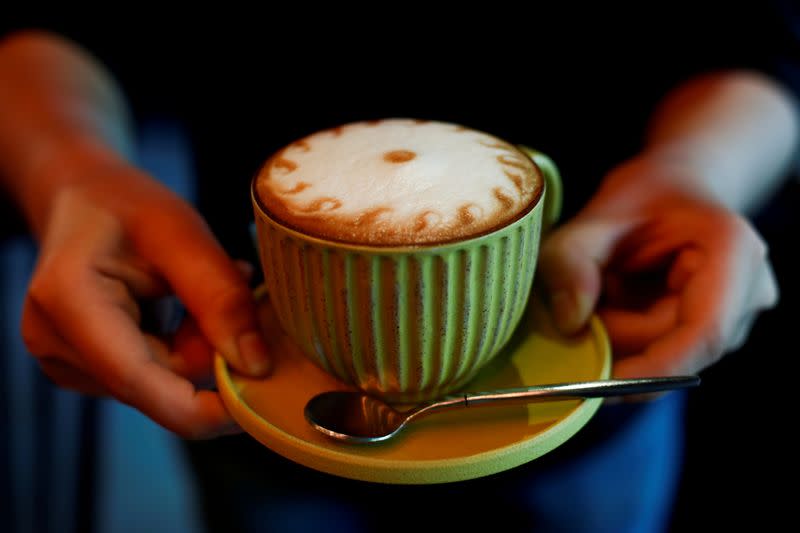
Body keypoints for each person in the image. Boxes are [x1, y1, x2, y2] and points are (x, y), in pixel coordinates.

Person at [1, 8, 798, 532]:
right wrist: (71, 167)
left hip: (599, 370)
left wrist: (699, 169)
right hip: (274, 396)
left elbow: (762, 29)